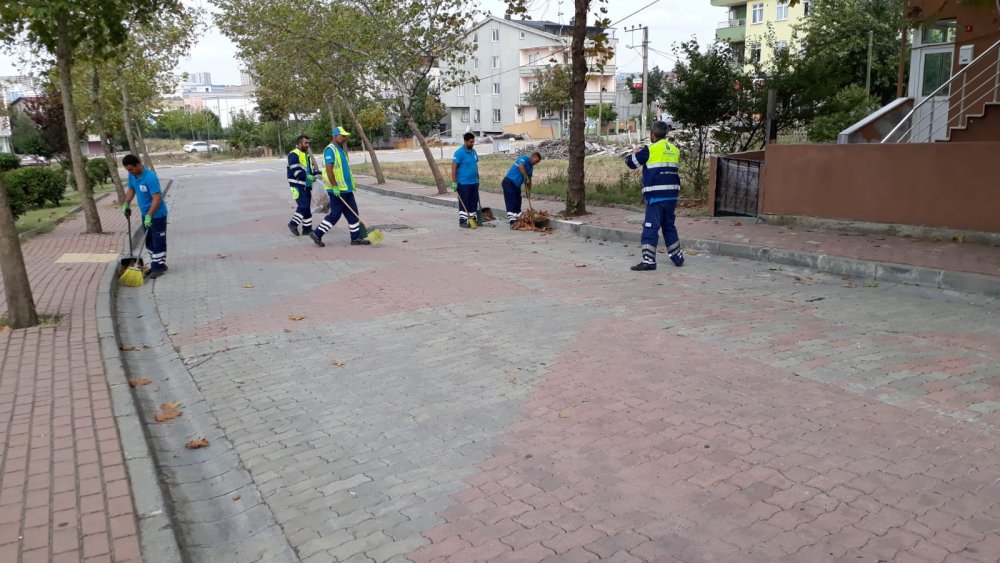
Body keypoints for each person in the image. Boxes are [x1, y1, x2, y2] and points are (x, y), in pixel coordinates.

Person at [626, 120, 684, 271]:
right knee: (669, 226)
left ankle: (649, 261)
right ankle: (677, 257)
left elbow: (631, 163)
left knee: (650, 227)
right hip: (672, 195)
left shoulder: (650, 149)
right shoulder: (674, 149)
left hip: (656, 196)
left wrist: (634, 153)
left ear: (652, 134)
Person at [310, 126, 371, 247]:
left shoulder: (340, 149)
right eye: (343, 136)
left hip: (346, 190)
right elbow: (329, 170)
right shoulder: (330, 150)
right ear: (335, 136)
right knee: (335, 215)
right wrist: (335, 186)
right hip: (337, 190)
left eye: (345, 136)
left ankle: (356, 238)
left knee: (353, 214)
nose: (345, 138)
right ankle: (317, 233)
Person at [121, 154, 169, 279]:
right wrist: (126, 203)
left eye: (130, 169)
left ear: (138, 165)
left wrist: (149, 215)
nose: (129, 172)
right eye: (127, 170)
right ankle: (158, 264)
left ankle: (157, 267)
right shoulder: (133, 175)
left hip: (157, 215)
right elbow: (131, 189)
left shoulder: (150, 177)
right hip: (146, 214)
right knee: (149, 241)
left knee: (158, 241)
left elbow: (157, 199)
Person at [286, 134, 316, 237]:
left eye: (308, 143)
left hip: (306, 185)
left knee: (307, 208)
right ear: (300, 143)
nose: (308, 145)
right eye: (305, 143)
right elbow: (296, 171)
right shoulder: (293, 154)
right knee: (303, 206)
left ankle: (307, 229)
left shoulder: (306, 155)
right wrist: (307, 176)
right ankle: (293, 224)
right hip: (297, 185)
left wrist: (317, 174)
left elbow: (310, 170)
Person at [502, 151, 542, 227]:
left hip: (516, 185)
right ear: (532, 157)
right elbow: (521, 166)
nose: (536, 163)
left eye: (537, 162)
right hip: (509, 182)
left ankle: (518, 218)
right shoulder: (524, 158)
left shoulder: (531, 168)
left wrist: (529, 191)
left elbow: (529, 180)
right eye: (536, 161)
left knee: (518, 201)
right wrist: (525, 176)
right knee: (511, 201)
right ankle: (512, 222)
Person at [451, 132, 480, 228]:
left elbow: (475, 165)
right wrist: (454, 182)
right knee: (464, 202)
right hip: (463, 183)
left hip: (474, 182)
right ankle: (463, 221)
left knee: (473, 202)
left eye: (473, 141)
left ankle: (472, 219)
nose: (472, 143)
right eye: (471, 142)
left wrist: (478, 178)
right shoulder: (459, 153)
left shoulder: (474, 152)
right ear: (465, 141)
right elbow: (454, 168)